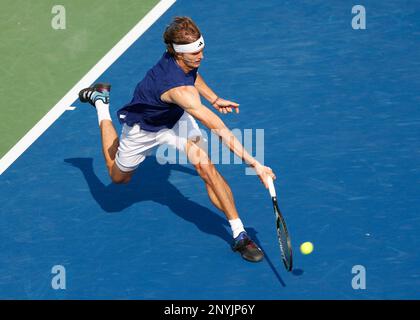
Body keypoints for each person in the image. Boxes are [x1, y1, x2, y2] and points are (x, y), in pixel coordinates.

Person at [78, 16, 276, 262]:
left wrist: (213, 98)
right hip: (145, 128)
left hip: (175, 120)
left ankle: (239, 234)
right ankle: (100, 102)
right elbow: (219, 128)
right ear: (178, 53)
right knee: (119, 178)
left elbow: (193, 74)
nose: (200, 57)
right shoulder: (178, 90)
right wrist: (254, 163)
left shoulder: (183, 60)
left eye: (201, 50)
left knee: (205, 166)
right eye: (194, 54)